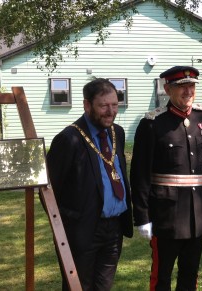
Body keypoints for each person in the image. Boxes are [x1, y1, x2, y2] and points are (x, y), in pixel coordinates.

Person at [131, 65, 202, 290]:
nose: (188, 91)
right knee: (162, 277)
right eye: (181, 87)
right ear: (167, 89)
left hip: (196, 214)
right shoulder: (152, 124)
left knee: (190, 274)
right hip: (165, 216)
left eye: (191, 86)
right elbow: (140, 174)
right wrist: (142, 216)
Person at [46, 78, 133, 290]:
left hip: (114, 229)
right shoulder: (69, 139)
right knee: (78, 286)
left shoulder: (117, 133)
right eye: (103, 106)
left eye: (114, 105)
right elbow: (49, 191)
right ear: (87, 105)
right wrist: (69, 221)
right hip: (82, 231)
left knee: (104, 286)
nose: (111, 111)